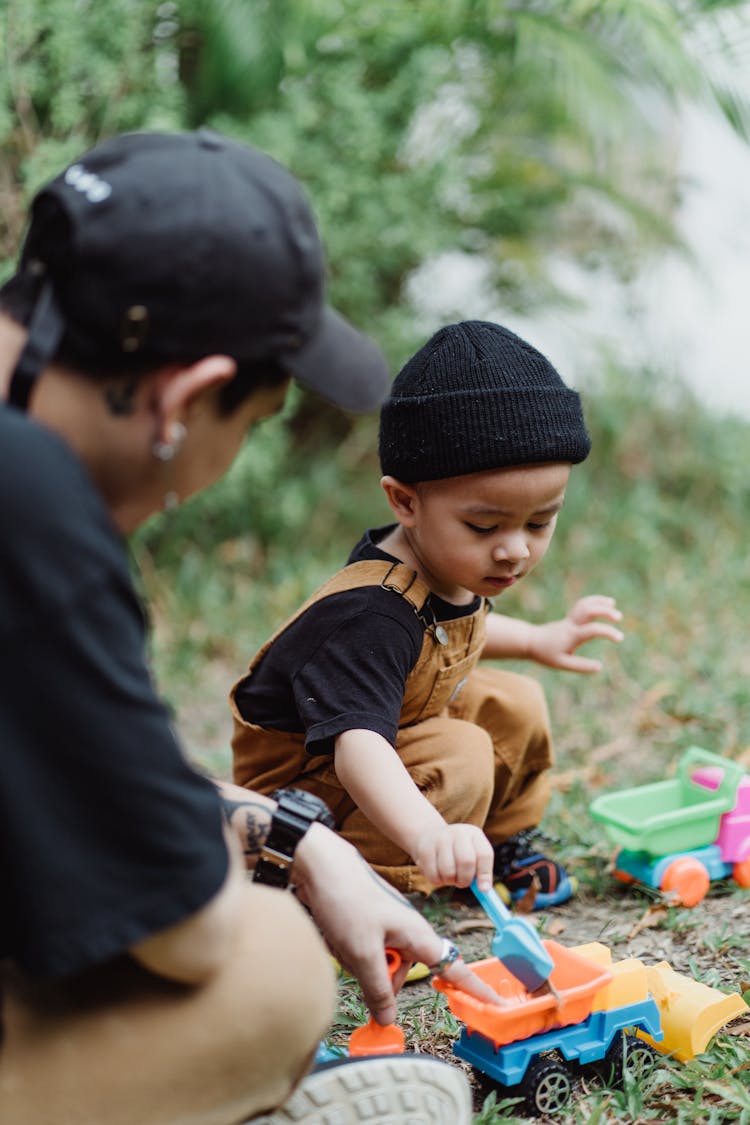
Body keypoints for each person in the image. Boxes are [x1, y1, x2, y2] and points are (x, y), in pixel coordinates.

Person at [0, 130, 476, 1125]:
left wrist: (305, 840)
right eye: (247, 426)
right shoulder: (30, 499)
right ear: (183, 399)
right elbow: (189, 930)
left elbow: (75, 767)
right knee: (270, 969)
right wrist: (243, 865)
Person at [231, 320, 624, 907]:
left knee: (515, 704)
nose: (514, 548)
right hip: (304, 793)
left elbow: (445, 639)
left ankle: (499, 843)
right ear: (406, 501)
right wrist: (427, 831)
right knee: (460, 755)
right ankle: (358, 894)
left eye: (539, 522)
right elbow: (358, 746)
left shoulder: (451, 560)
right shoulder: (370, 614)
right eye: (486, 525)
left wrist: (540, 638)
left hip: (388, 732)